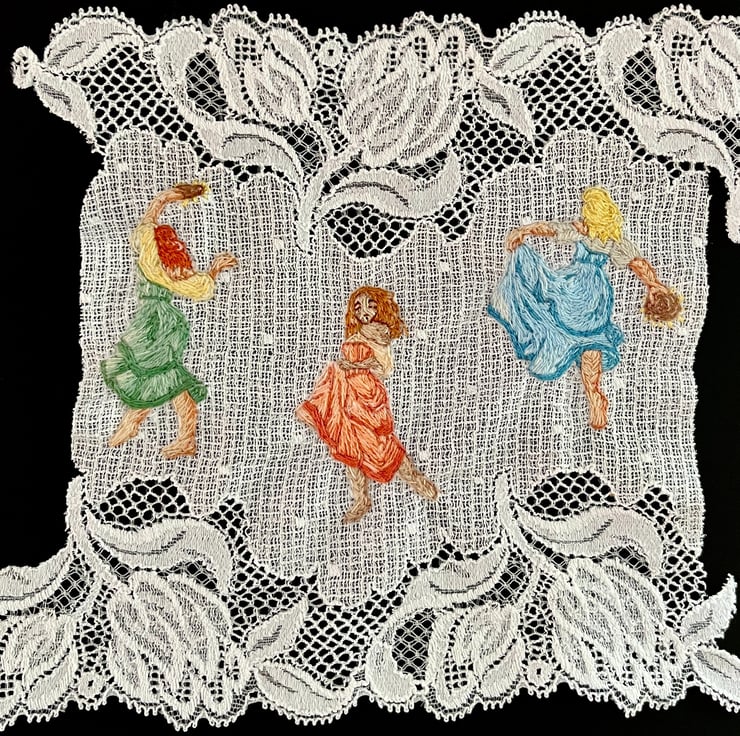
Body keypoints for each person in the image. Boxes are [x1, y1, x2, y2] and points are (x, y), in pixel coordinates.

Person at [487, 186, 683, 430]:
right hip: (596, 297)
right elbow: (639, 264)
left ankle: (593, 394)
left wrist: (525, 230)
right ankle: (593, 392)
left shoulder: (586, 231)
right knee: (592, 340)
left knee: (553, 310)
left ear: (593, 212)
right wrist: (654, 285)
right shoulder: (614, 241)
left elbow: (552, 230)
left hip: (574, 290)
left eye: (586, 208)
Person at [101, 182, 237, 458]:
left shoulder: (149, 255)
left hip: (156, 325)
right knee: (158, 377)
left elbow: (149, 219)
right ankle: (155, 430)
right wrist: (213, 271)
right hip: (153, 323)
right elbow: (197, 288)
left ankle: (150, 428)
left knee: (163, 376)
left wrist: (166, 198)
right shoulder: (158, 265)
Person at [296, 286, 438, 523]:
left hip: (367, 397)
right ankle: (360, 498)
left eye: (370, 306)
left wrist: (355, 366)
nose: (364, 312)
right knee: (350, 447)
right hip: (348, 397)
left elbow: (383, 368)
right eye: (358, 308)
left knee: (382, 443)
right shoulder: (357, 334)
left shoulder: (379, 333)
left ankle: (416, 479)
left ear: (379, 307)